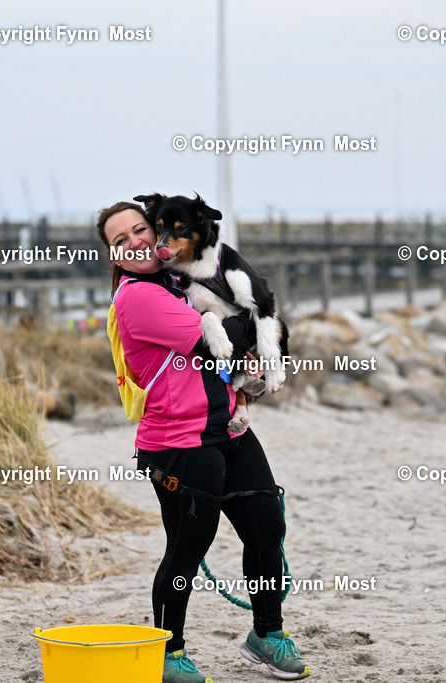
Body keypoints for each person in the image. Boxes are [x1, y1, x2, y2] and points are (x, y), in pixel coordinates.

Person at [97, 201, 311, 682]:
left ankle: (267, 635)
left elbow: (232, 349)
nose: (135, 241)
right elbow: (217, 336)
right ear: (113, 255)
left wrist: (251, 363)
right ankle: (168, 654)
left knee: (266, 527)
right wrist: (260, 324)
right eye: (120, 239)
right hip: (177, 442)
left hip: (226, 428)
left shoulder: (180, 281)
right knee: (188, 547)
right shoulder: (136, 297)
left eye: (140, 229)